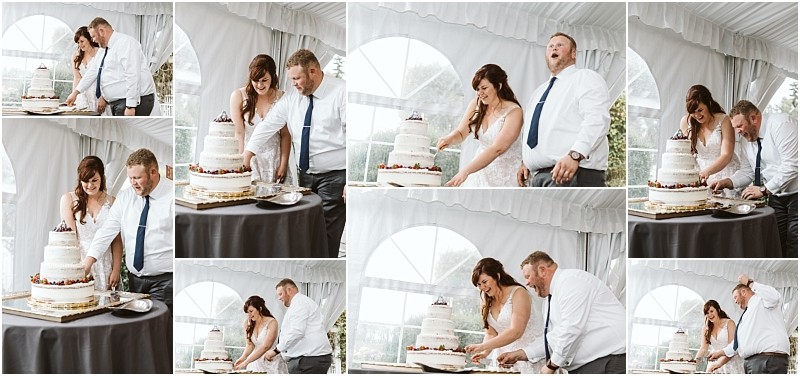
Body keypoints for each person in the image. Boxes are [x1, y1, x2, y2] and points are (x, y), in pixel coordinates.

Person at [244, 49, 345, 258]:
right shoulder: (292, 97)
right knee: (304, 228)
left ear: (313, 71)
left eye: (297, 78)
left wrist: (350, 180)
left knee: (326, 232)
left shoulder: (342, 92)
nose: (294, 83)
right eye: (291, 79)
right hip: (305, 175)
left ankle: (323, 264)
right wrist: (248, 154)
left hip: (336, 176)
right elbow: (269, 124)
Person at [497, 251, 626, 374]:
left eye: (528, 276)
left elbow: (572, 328)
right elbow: (554, 338)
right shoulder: (550, 299)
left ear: (542, 270)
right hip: (592, 366)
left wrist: (551, 365)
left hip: (609, 363)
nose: (527, 283)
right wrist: (520, 354)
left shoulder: (571, 281)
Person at [83, 148, 173, 311]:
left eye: (137, 178)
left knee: (159, 329)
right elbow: (106, 232)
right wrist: (88, 264)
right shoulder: (125, 197)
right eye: (130, 178)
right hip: (134, 281)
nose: (133, 183)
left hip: (165, 282)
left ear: (153, 172)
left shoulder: (173, 197)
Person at [517, 32, 611, 187]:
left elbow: (597, 118)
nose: (554, 48)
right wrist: (526, 162)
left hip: (573, 173)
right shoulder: (538, 92)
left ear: (573, 53)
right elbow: (533, 129)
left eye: (560, 45)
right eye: (550, 46)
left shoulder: (585, 77)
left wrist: (575, 155)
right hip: (538, 177)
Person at [709, 100, 798, 257]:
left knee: (795, 241)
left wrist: (764, 190)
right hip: (776, 196)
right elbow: (747, 172)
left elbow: (792, 165)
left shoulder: (781, 124)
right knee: (776, 241)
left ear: (753, 118)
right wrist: (727, 182)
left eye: (739, 126)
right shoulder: (747, 140)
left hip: (796, 192)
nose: (737, 132)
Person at [436, 64, 523, 187]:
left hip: (506, 175)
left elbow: (497, 149)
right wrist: (450, 138)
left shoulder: (514, 112)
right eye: (477, 89)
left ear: (498, 85)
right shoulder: (476, 104)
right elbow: (461, 133)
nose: (480, 93)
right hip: (480, 171)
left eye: (484, 88)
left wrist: (465, 172)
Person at [464, 258, 543, 373]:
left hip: (527, 357)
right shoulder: (485, 299)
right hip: (502, 360)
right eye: (479, 284)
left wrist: (482, 346)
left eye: (485, 282)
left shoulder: (519, 293)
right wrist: (485, 353)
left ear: (497, 276)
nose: (482, 288)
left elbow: (516, 331)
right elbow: (491, 333)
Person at [65, 17, 156, 116]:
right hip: (118, 102)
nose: (93, 40)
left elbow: (133, 74)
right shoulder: (103, 50)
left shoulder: (125, 43)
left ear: (102, 31)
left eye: (94, 36)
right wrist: (75, 93)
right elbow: (92, 72)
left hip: (135, 101)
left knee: (125, 131)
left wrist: (130, 106)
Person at [59, 156, 122, 291]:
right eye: (85, 181)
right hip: (81, 263)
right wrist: (78, 269)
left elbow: (116, 240)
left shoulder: (113, 202)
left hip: (106, 264)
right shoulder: (69, 199)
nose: (90, 185)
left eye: (94, 180)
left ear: (102, 178)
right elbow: (71, 239)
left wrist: (116, 269)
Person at [707, 274, 790, 374]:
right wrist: (720, 353)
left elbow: (774, 296)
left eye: (735, 297)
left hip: (767, 361)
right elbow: (738, 343)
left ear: (743, 292)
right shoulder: (746, 315)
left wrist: (749, 283)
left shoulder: (762, 299)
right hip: (752, 363)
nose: (735, 301)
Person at [230, 54, 292, 184]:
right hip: (250, 158)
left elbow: (285, 135)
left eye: (264, 80)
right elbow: (239, 133)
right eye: (255, 80)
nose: (259, 85)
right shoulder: (238, 96)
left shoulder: (283, 97)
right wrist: (241, 161)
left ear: (273, 77)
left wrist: (284, 163)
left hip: (275, 159)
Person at [262, 279, 333, 374]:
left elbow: (297, 331)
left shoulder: (300, 303)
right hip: (308, 359)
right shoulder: (299, 303)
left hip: (309, 361)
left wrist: (276, 350)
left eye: (280, 294)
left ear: (289, 290)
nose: (279, 298)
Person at [678, 85, 740, 183]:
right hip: (701, 175)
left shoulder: (724, 120)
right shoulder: (685, 122)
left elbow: (726, 154)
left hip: (726, 173)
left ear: (709, 103)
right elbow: (687, 153)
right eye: (693, 112)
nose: (697, 116)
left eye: (700, 110)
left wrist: (707, 172)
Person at [233, 296, 289, 373]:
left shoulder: (272, 322)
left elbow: (265, 346)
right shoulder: (247, 323)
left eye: (251, 311)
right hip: (255, 363)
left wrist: (246, 362)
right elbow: (250, 345)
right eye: (247, 312)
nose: (249, 315)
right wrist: (243, 358)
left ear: (260, 308)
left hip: (272, 362)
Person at [694, 300, 744, 373]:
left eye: (711, 311)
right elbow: (703, 349)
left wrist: (719, 364)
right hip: (714, 362)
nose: (710, 315)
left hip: (729, 360)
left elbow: (732, 347)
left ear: (718, 310)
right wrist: (693, 363)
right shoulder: (706, 328)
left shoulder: (729, 323)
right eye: (707, 313)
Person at [70, 27, 103, 113]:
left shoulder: (100, 52)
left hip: (97, 95)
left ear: (90, 39)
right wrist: (74, 95)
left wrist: (104, 97)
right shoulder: (75, 56)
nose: (80, 45)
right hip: (82, 95)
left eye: (82, 41)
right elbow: (77, 78)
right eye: (78, 42)